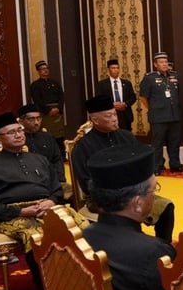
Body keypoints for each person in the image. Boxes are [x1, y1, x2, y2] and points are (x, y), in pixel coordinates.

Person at [82, 144, 183, 290]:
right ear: (138, 203)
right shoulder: (152, 252)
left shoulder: (81, 239)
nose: (155, 195)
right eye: (153, 190)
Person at [0, 112, 88, 290]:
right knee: (36, 235)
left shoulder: (39, 159)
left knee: (81, 226)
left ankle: (84, 279)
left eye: (19, 130)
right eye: (11, 132)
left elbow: (57, 189)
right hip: (12, 213)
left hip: (46, 206)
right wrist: (19, 211)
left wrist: (52, 201)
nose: (19, 135)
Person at [71, 95, 176, 242]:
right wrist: (119, 193)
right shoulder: (83, 146)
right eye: (109, 116)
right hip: (103, 199)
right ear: (95, 120)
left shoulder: (126, 137)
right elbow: (87, 182)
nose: (115, 118)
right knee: (127, 213)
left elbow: (142, 166)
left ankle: (163, 247)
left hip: (135, 192)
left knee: (166, 207)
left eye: (115, 114)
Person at [139, 52, 183, 174]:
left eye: (166, 62)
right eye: (161, 62)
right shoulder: (149, 78)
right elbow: (143, 97)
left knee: (174, 141)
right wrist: (153, 108)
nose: (164, 64)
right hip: (158, 117)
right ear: (155, 64)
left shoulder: (174, 76)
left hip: (174, 115)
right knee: (157, 143)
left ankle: (175, 163)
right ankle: (157, 166)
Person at [18, 104, 66, 187]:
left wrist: (59, 180)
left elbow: (57, 159)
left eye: (38, 118)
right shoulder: (18, 140)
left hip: (52, 181)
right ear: (21, 121)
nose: (36, 122)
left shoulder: (47, 137)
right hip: (29, 184)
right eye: (31, 119)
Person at [28, 60, 66, 155]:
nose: (46, 71)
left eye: (47, 68)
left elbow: (61, 97)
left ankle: (61, 154)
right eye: (43, 69)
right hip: (45, 114)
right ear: (39, 71)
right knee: (46, 134)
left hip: (57, 113)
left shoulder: (55, 83)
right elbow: (37, 100)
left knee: (59, 134)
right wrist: (48, 110)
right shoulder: (35, 85)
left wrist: (58, 109)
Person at [95, 58, 137, 132]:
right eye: (113, 68)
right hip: (110, 115)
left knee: (125, 136)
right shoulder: (102, 84)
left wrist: (125, 104)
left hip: (125, 114)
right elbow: (99, 99)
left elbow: (133, 97)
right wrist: (111, 105)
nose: (116, 70)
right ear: (108, 69)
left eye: (117, 68)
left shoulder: (127, 83)